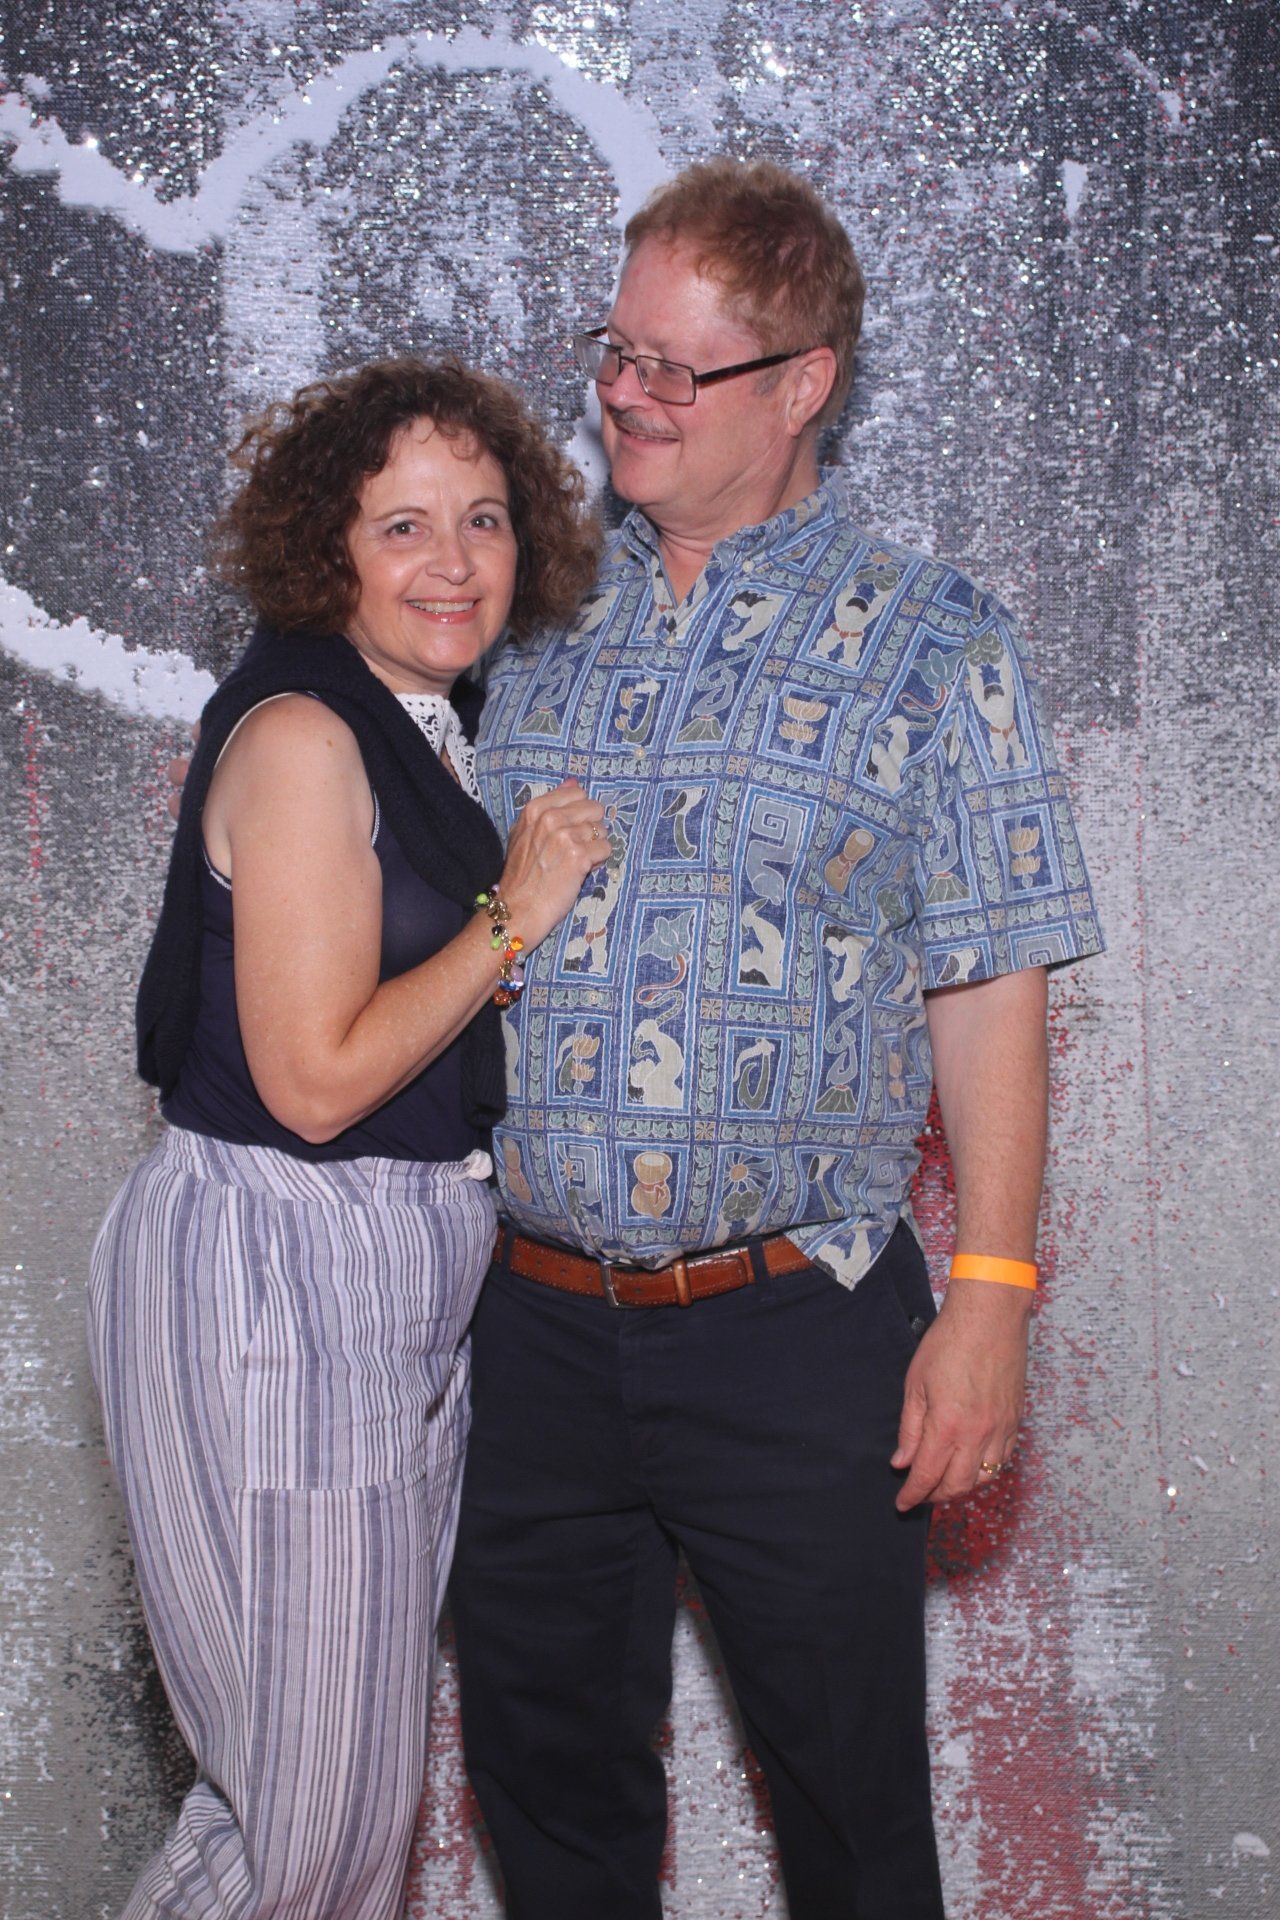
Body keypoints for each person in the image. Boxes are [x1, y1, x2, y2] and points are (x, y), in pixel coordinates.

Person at [446, 158, 1103, 1920]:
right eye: (617, 352)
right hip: (518, 1329)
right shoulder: (518, 622)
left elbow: (992, 974)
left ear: (805, 381)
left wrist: (990, 1300)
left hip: (796, 1332)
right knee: (551, 1814)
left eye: (678, 367)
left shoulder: (935, 640)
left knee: (853, 1826)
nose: (627, 394)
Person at [88, 357, 605, 1920]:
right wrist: (518, 914)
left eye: (484, 519)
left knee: (308, 1824)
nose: (454, 561)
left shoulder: (416, 722)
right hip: (284, 1274)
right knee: (313, 1841)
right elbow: (313, 1081)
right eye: (403, 527)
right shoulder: (311, 736)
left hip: (359, 1283)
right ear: (329, 549)